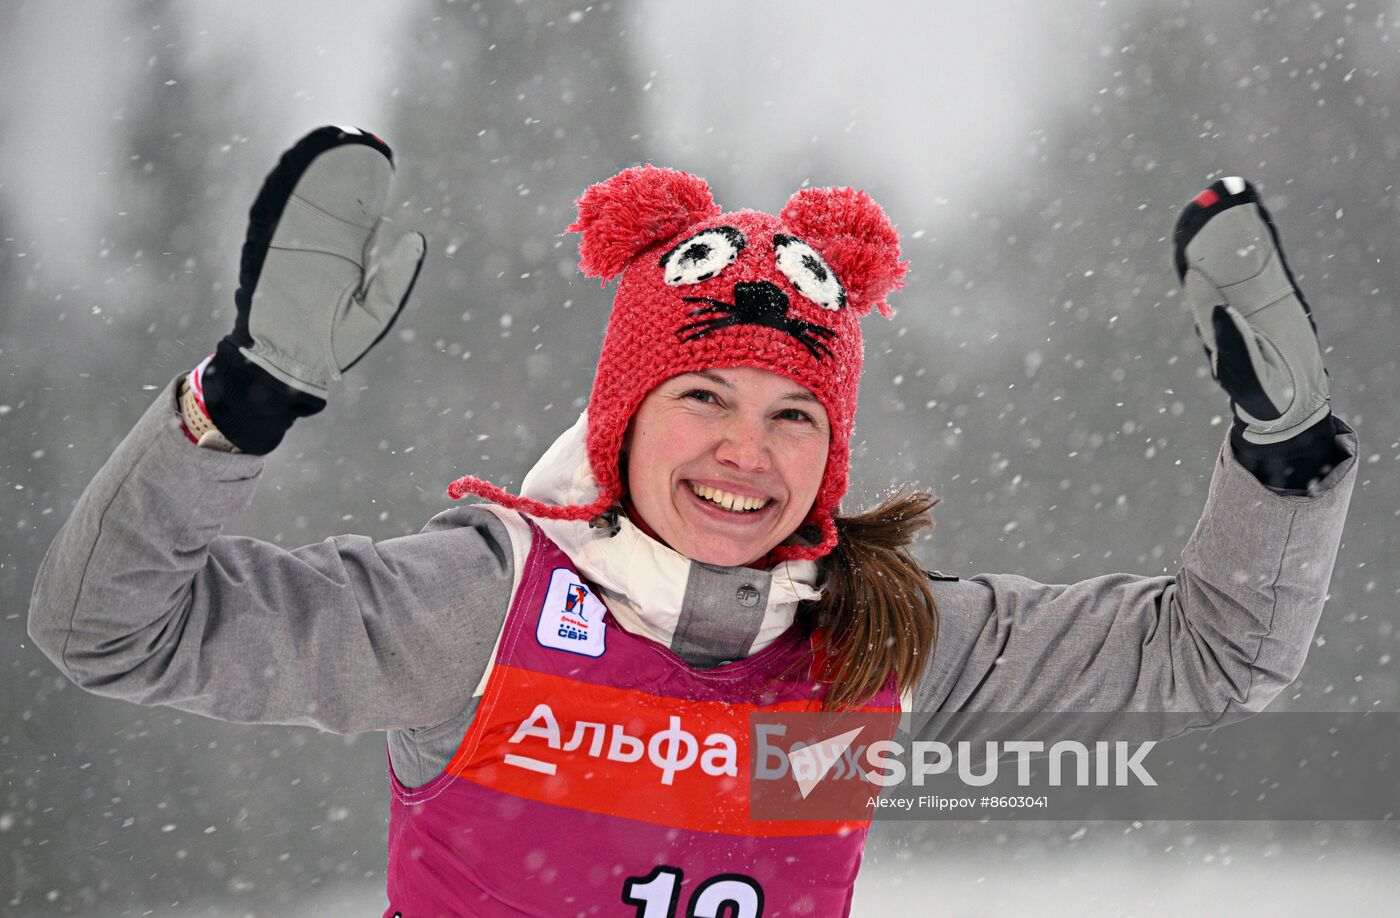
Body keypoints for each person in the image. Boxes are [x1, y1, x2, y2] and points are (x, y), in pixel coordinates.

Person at [28, 127, 1356, 917]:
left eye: (796, 416)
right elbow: (111, 627)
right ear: (621, 417)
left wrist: (1280, 457)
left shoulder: (869, 642)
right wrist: (237, 406)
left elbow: (1217, 652)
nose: (746, 449)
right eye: (703, 394)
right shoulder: (481, 609)